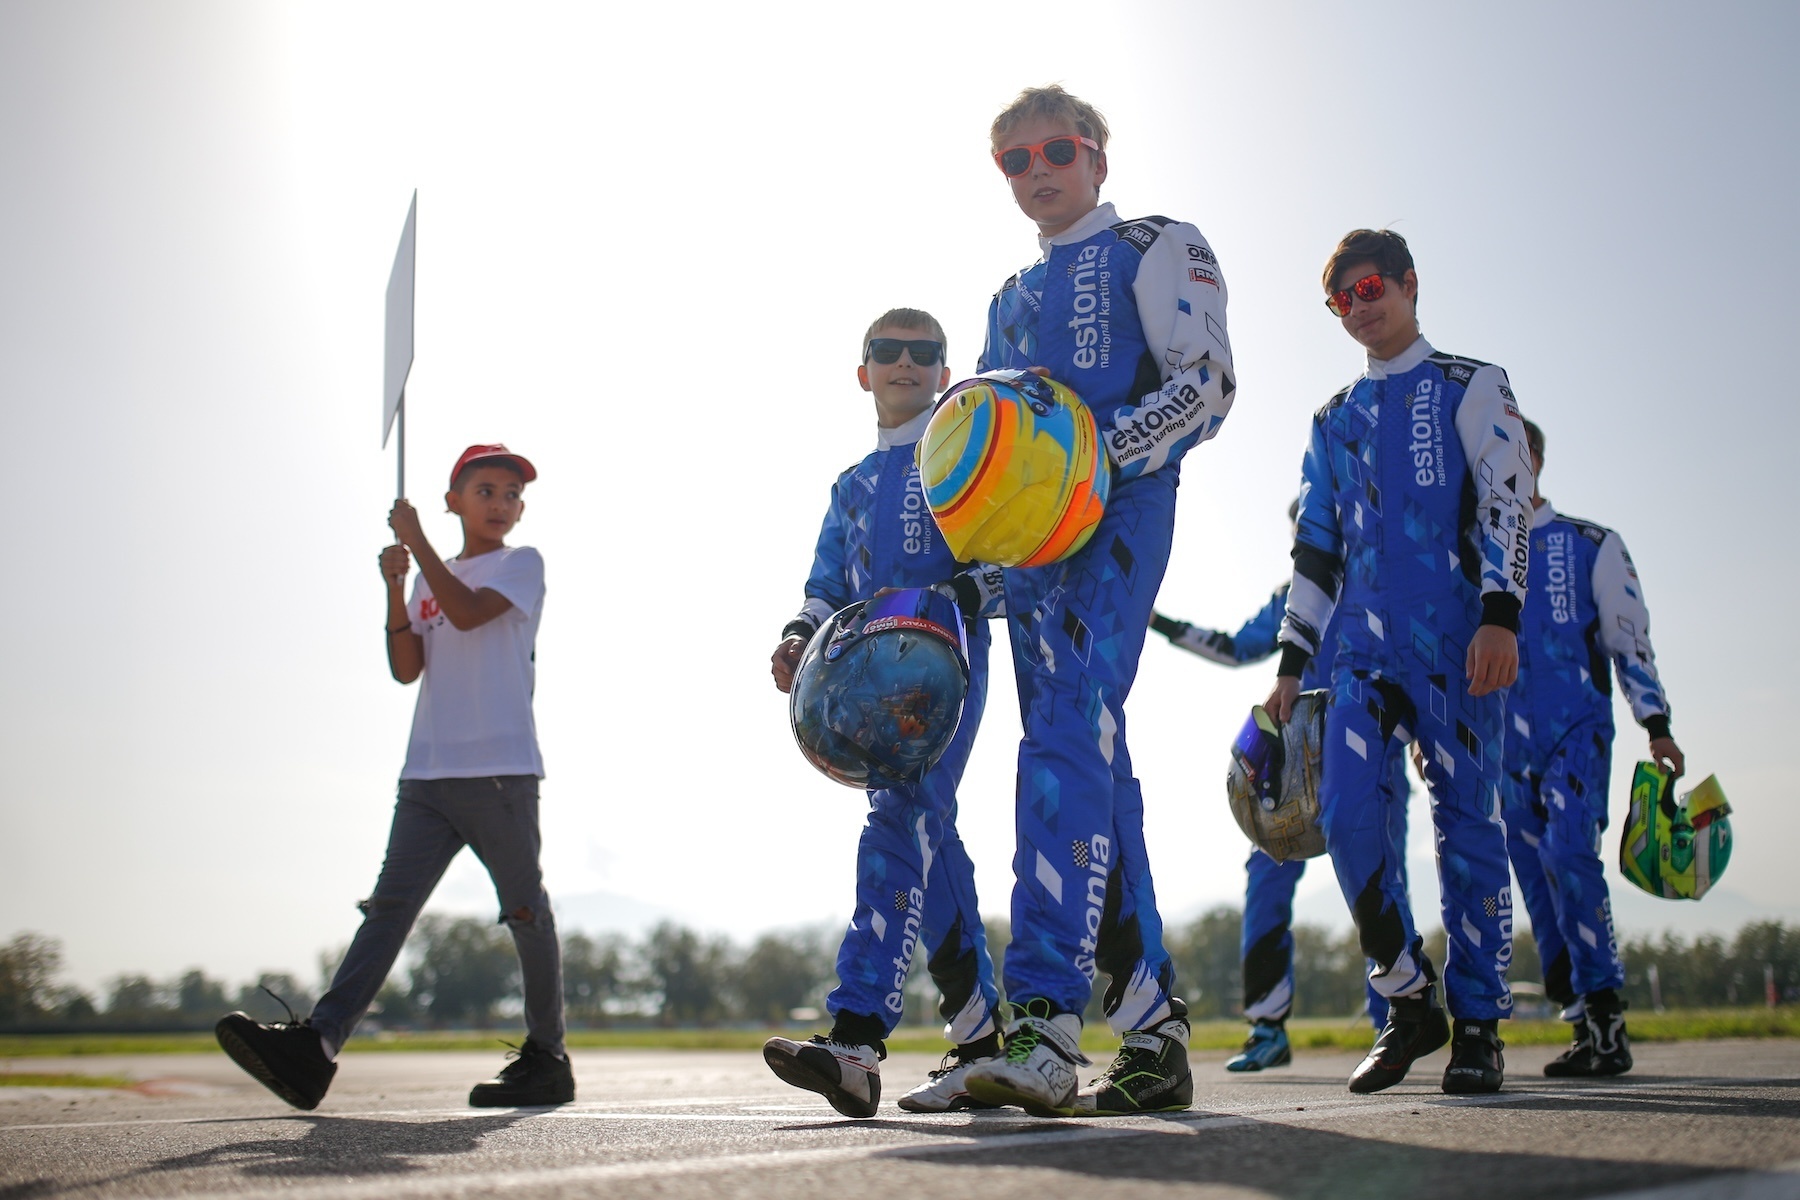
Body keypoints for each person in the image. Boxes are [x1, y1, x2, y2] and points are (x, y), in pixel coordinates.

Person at [959, 85, 1237, 1118]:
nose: (1038, 170)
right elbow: (986, 455)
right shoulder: (1005, 297)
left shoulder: (1161, 242)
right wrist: (980, 559)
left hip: (1120, 523)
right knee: (1087, 765)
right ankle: (1154, 1031)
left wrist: (1091, 458)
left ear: (1098, 160)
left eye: (1058, 151)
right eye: (1015, 160)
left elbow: (1206, 383)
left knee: (1069, 742)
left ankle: (1038, 1025)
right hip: (1033, 560)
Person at [216, 445, 571, 1110]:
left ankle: (547, 1055)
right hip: (428, 775)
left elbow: (467, 612)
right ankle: (316, 1047)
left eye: (511, 495)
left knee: (525, 914)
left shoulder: (522, 564)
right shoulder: (425, 579)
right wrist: (394, 587)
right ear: (453, 500)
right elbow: (407, 667)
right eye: (486, 490)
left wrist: (419, 545)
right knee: (387, 913)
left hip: (501, 773)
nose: (501, 503)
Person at [1264, 228, 1535, 1096]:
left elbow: (1507, 503)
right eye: (1341, 299)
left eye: (1371, 287)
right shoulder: (1332, 417)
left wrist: (1501, 617)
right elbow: (1315, 548)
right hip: (1362, 655)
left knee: (1468, 824)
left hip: (1458, 644)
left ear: (1411, 286)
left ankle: (1481, 1028)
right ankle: (1407, 997)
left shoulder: (1471, 383)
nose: (1358, 307)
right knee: (1342, 813)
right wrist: (1290, 661)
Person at [762, 309, 1008, 1118]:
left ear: (946, 371)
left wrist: (954, 597)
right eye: (888, 351)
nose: (906, 363)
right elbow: (823, 586)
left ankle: (857, 1039)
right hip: (861, 693)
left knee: (901, 823)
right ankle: (979, 1039)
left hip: (947, 672)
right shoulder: (851, 485)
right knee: (927, 844)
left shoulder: (968, 455)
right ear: (862, 371)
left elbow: (1008, 564)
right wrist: (799, 635)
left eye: (924, 352)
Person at [1150, 499, 1407, 1071]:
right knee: (1265, 878)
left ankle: (1396, 1018)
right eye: (1301, 533)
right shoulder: (1290, 600)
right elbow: (1236, 647)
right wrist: (1160, 621)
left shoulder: (1380, 585)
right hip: (1294, 773)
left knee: (1383, 883)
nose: (1308, 543)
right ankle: (1267, 1027)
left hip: (1374, 761)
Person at [1503, 417, 1680, 1077]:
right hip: (1503, 749)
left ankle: (1608, 1014)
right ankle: (1581, 1021)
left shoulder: (1590, 544)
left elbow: (1628, 639)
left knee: (1569, 852)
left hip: (1576, 728)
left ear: (1537, 461)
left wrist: (1655, 723)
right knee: (1536, 882)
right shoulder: (1472, 553)